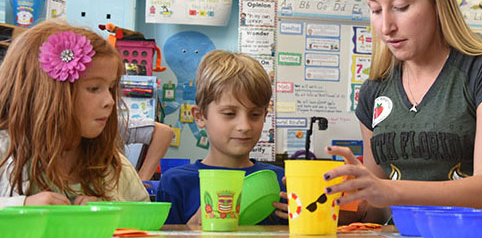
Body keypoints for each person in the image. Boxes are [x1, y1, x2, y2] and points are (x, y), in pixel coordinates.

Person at [322, 0, 482, 224]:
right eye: (376, 10)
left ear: (437, 3)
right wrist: (335, 202)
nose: (385, 27)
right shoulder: (375, 91)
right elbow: (378, 209)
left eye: (400, 7)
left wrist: (390, 190)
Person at [0, 20, 149, 208]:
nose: (110, 101)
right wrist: (21, 206)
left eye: (111, 88)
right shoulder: (5, 152)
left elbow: (143, 220)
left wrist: (109, 213)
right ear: (45, 93)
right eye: (94, 88)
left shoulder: (113, 165)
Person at [156, 50, 288, 224]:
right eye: (229, 113)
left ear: (265, 115)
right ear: (200, 116)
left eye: (255, 114)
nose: (244, 126)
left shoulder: (281, 182)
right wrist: (188, 231)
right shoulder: (176, 183)